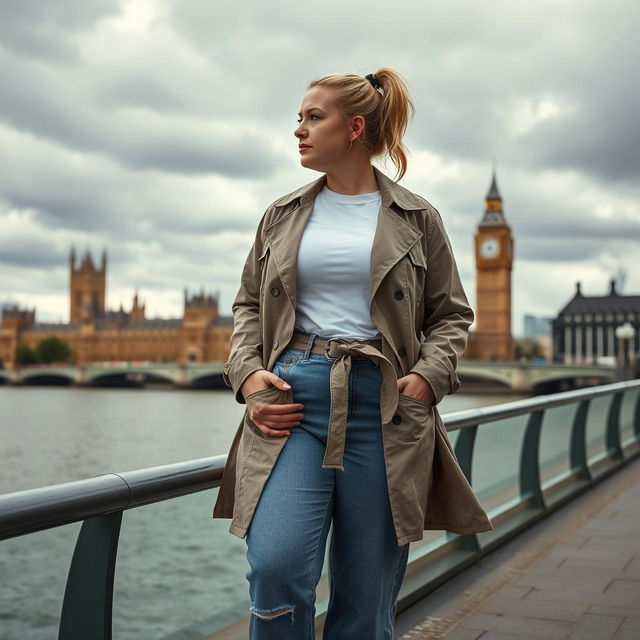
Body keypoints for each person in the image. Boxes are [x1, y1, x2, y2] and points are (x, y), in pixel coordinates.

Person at [213, 68, 493, 640]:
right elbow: (246, 305)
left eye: (313, 117)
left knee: (365, 598)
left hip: (385, 410)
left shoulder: (418, 219)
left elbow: (452, 315)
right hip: (292, 404)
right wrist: (247, 378)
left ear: (355, 127)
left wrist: (424, 381)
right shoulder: (280, 215)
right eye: (299, 117)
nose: (298, 130)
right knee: (276, 565)